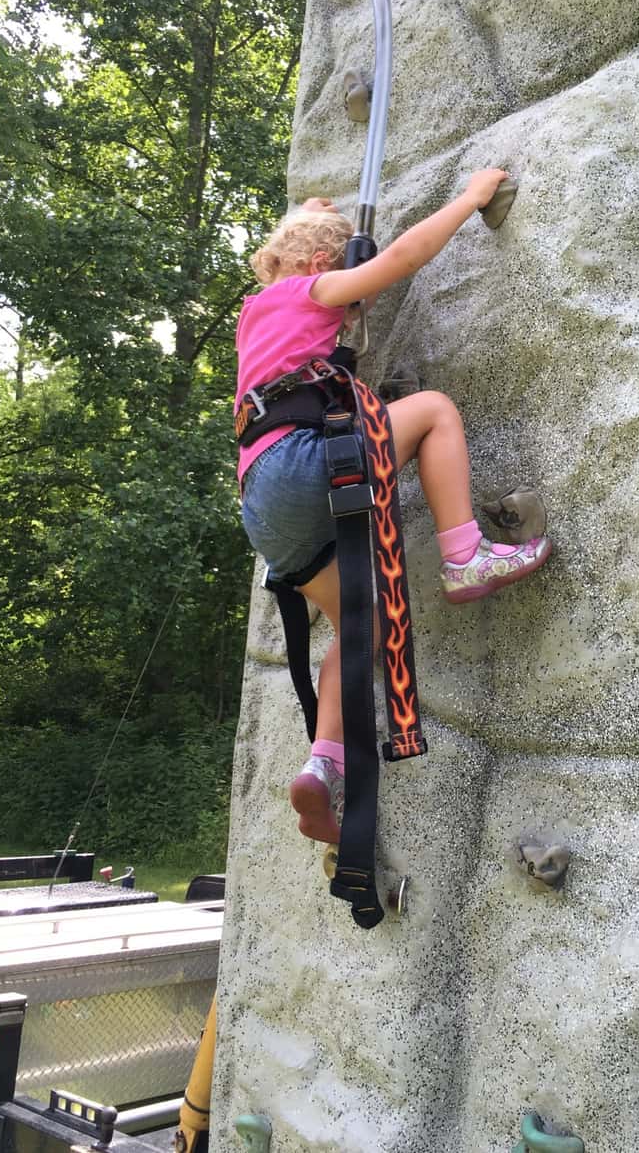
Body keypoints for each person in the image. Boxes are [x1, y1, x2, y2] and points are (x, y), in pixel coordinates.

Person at [235, 171, 551, 844]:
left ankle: (322, 767)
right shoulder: (314, 288)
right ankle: (465, 555)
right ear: (323, 266)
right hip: (299, 465)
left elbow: (297, 259)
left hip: (262, 502)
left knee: (358, 623)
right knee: (434, 411)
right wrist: (470, 198)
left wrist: (312, 216)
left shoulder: (258, 311)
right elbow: (400, 261)